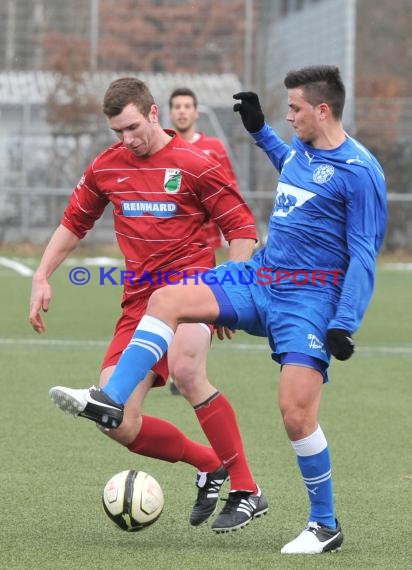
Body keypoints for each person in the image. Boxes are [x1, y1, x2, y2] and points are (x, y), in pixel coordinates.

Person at [48, 65, 387, 553]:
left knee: (295, 416)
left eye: (293, 109)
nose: (288, 115)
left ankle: (324, 525)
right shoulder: (307, 152)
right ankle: (112, 397)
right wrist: (260, 131)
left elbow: (362, 252)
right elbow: (291, 161)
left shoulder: (361, 173)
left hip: (309, 301)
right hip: (259, 277)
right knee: (167, 298)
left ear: (322, 110)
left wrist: (344, 321)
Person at [30, 76, 269, 533]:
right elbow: (73, 223)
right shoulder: (107, 166)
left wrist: (229, 291)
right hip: (139, 303)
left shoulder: (196, 163)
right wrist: (42, 275)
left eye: (134, 127)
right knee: (115, 420)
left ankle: (246, 488)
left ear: (154, 113)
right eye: (118, 131)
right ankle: (210, 465)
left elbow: (241, 228)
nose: (128, 139)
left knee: (185, 369)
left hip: (193, 290)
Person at [168, 86, 241, 395]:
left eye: (187, 106)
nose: (182, 111)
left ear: (196, 113)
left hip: (205, 242)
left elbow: (228, 190)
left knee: (199, 304)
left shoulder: (212, 148)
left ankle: (190, 369)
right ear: (170, 112)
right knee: (169, 300)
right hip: (171, 241)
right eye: (177, 106)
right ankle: (174, 367)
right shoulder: (164, 148)